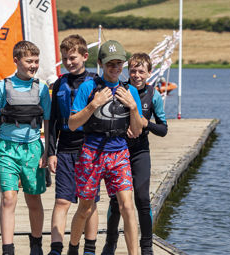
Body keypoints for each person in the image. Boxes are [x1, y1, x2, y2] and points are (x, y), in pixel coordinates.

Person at [67, 40, 144, 255]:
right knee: (85, 207)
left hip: (119, 154)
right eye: (111, 64)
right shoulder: (88, 87)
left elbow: (136, 131)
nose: (115, 68)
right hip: (92, 153)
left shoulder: (130, 91)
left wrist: (133, 107)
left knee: (127, 206)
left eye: (119, 64)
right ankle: (73, 248)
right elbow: (73, 124)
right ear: (101, 63)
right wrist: (94, 104)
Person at [0, 40, 51, 255]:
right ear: (16, 61)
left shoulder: (42, 88)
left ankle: (36, 245)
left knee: (34, 198)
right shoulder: (2, 87)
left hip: (33, 149)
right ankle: (8, 249)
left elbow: (48, 122)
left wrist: (47, 151)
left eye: (36, 61)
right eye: (29, 61)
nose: (33, 65)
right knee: (8, 198)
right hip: (6, 149)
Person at [102, 53, 168, 255]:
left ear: (149, 73)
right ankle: (110, 244)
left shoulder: (153, 94)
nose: (137, 75)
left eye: (141, 71)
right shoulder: (119, 90)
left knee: (142, 199)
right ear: (127, 71)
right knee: (116, 199)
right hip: (118, 150)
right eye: (133, 71)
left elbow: (164, 129)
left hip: (140, 151)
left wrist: (144, 123)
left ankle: (146, 247)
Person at [47, 34, 99, 255]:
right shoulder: (59, 83)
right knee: (62, 201)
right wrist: (51, 153)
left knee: (89, 203)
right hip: (65, 149)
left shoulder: (96, 82)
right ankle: (56, 249)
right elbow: (53, 123)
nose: (69, 62)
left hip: (90, 148)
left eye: (73, 58)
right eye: (65, 58)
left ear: (85, 56)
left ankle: (89, 248)